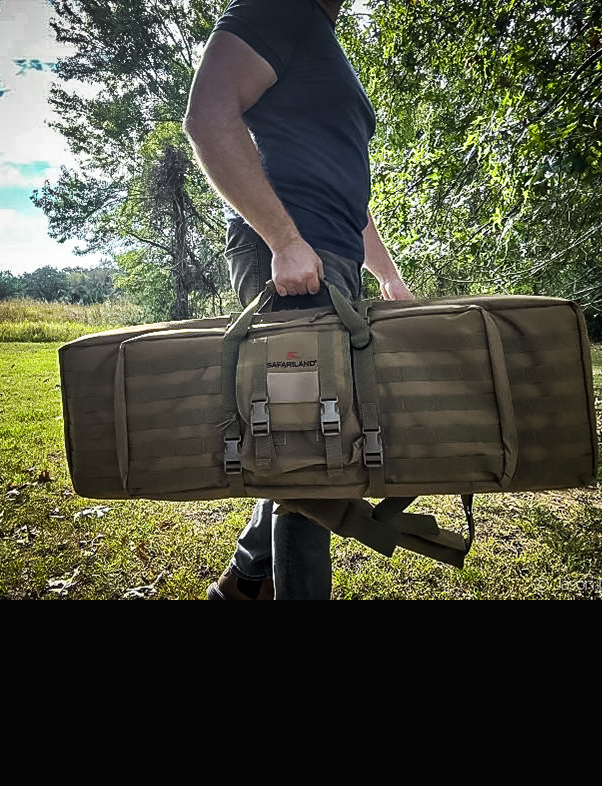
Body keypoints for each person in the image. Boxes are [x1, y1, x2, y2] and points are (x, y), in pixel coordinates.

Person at [183, 0, 413, 600]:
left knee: (314, 437)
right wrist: (284, 242)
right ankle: (252, 584)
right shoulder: (280, 9)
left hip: (330, 261)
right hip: (292, 262)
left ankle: (243, 582)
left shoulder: (321, 41)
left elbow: (350, 197)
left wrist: (388, 277)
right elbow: (208, 115)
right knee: (309, 450)